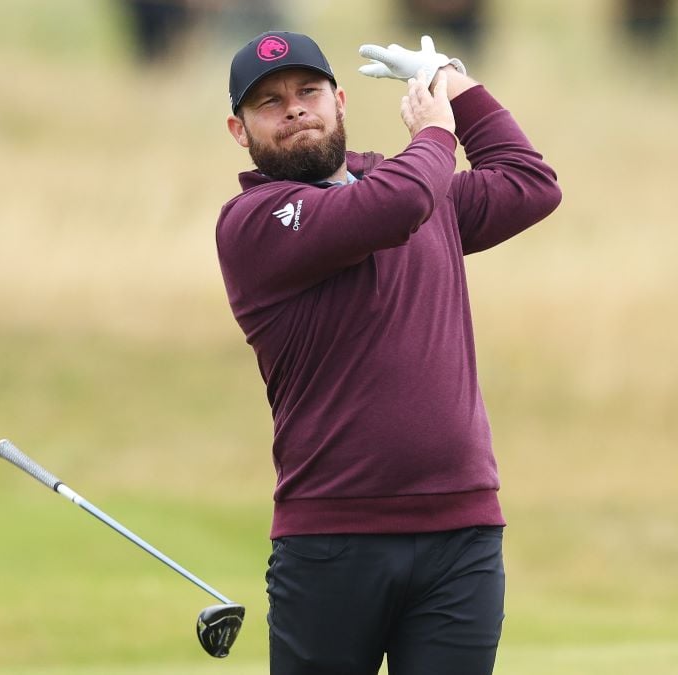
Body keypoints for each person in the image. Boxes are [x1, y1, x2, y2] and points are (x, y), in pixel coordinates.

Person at [215, 31, 561, 674]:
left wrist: (452, 79)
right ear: (241, 131)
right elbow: (393, 205)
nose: (293, 109)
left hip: (462, 532)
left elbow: (529, 182)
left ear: (340, 100)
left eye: (307, 92)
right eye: (269, 102)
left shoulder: (413, 189)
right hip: (331, 537)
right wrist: (436, 132)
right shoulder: (255, 220)